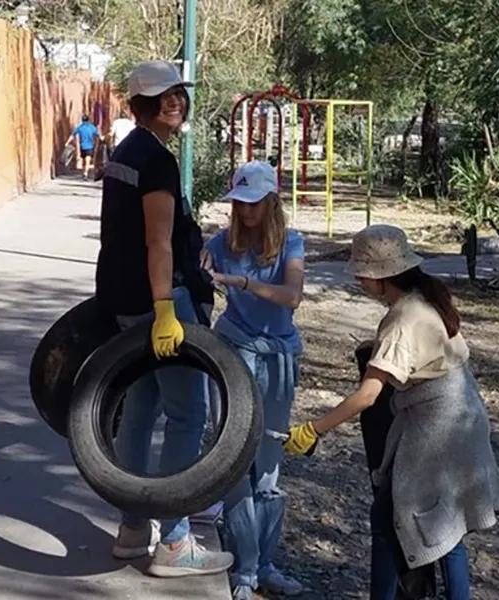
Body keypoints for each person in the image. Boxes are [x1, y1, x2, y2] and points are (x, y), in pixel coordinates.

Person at [283, 225, 499, 600]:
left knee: (389, 517)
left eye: (363, 273)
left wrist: (314, 429)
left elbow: (367, 396)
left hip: (437, 425)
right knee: (447, 527)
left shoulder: (402, 319)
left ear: (382, 275)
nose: (358, 279)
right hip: (463, 413)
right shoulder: (427, 297)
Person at [95, 59, 230, 578]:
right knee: (187, 415)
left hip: (124, 300)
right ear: (141, 105)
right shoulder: (155, 161)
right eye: (162, 96)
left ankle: (132, 528)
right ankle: (173, 541)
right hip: (158, 302)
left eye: (178, 93)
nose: (175, 102)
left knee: (142, 407)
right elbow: (157, 242)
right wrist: (166, 309)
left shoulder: (124, 153)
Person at [202, 161, 305, 600]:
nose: (245, 211)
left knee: (269, 464)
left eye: (253, 202)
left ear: (271, 202)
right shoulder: (221, 243)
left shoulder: (291, 243)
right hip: (233, 352)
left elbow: (292, 296)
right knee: (235, 461)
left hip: (279, 355)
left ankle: (265, 565)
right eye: (239, 203)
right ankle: (243, 571)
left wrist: (241, 281)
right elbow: (194, 270)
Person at [67, 114, 100, 179]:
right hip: (90, 146)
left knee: (85, 161)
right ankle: (85, 173)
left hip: (82, 147)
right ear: (88, 120)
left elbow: (72, 135)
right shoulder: (92, 127)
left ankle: (84, 173)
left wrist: (67, 142)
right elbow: (97, 135)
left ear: (82, 120)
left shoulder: (79, 127)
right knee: (87, 160)